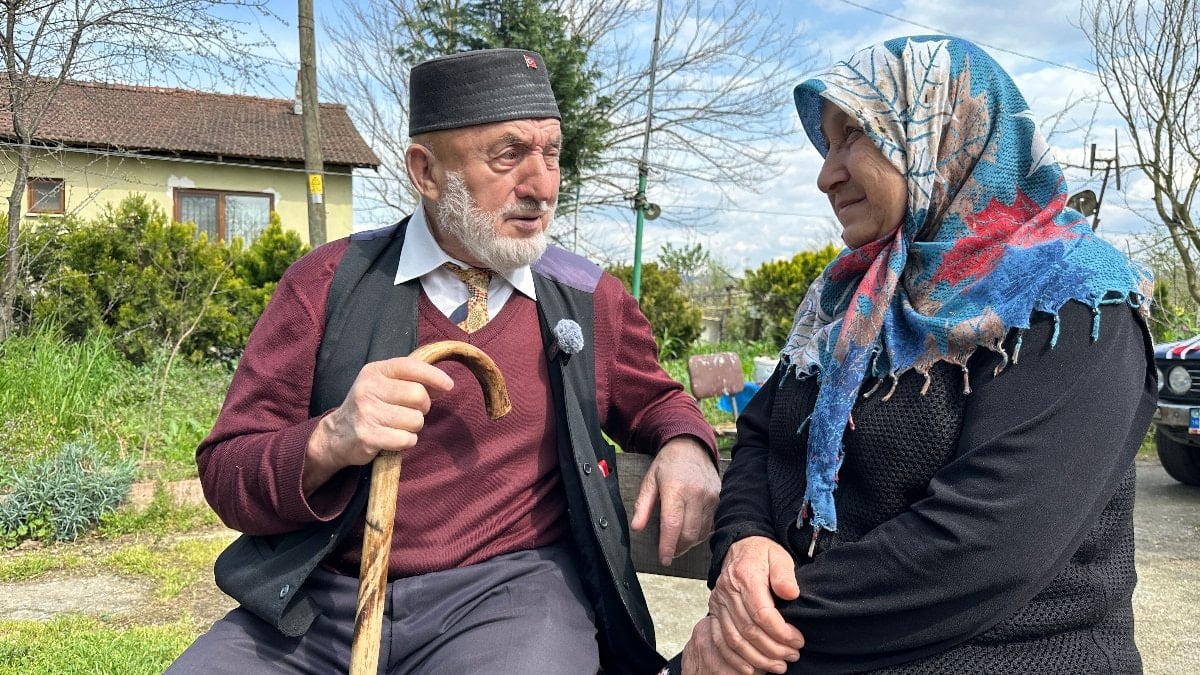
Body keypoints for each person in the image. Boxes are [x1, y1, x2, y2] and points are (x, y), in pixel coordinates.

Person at [167, 48, 721, 675]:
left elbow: (656, 400)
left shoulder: (590, 300)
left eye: (552, 152)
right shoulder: (327, 285)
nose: (541, 185)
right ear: (425, 172)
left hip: (510, 600)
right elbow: (227, 474)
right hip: (322, 607)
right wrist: (329, 439)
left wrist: (687, 443)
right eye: (508, 155)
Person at [676, 35, 1156, 674]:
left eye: (853, 135)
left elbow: (985, 547)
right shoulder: (849, 299)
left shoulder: (1073, 300)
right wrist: (745, 543)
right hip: (810, 646)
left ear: (941, 132)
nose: (825, 174)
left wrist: (752, 632)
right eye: (827, 142)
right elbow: (761, 438)